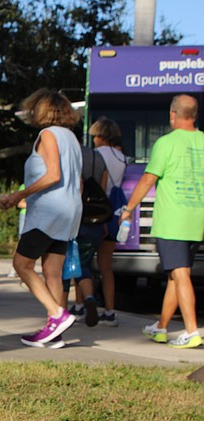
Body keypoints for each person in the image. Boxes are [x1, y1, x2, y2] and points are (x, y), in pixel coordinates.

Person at [0, 88, 82, 347]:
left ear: (40, 110)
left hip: (49, 211)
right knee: (52, 272)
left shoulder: (47, 135)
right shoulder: (72, 138)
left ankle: (57, 315)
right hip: (70, 210)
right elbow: (76, 181)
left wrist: (18, 195)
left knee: (22, 264)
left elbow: (53, 174)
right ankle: (55, 330)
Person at [121, 94, 204, 349]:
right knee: (175, 276)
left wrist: (129, 208)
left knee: (180, 273)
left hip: (173, 220)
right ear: (195, 115)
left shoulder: (165, 143)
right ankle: (161, 327)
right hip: (197, 219)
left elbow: (148, 179)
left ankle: (191, 331)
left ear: (172, 115)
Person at [90, 117, 126, 327]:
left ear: (101, 136)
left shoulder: (97, 155)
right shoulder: (122, 157)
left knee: (84, 263)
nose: (94, 140)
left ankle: (80, 305)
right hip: (114, 213)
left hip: (96, 211)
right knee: (106, 267)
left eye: (95, 136)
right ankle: (110, 311)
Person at [67, 146, 108, 327]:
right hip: (96, 220)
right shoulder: (98, 157)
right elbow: (103, 187)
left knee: (67, 265)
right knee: (84, 264)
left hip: (77, 219)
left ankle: (64, 310)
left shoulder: (71, 155)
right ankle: (89, 297)